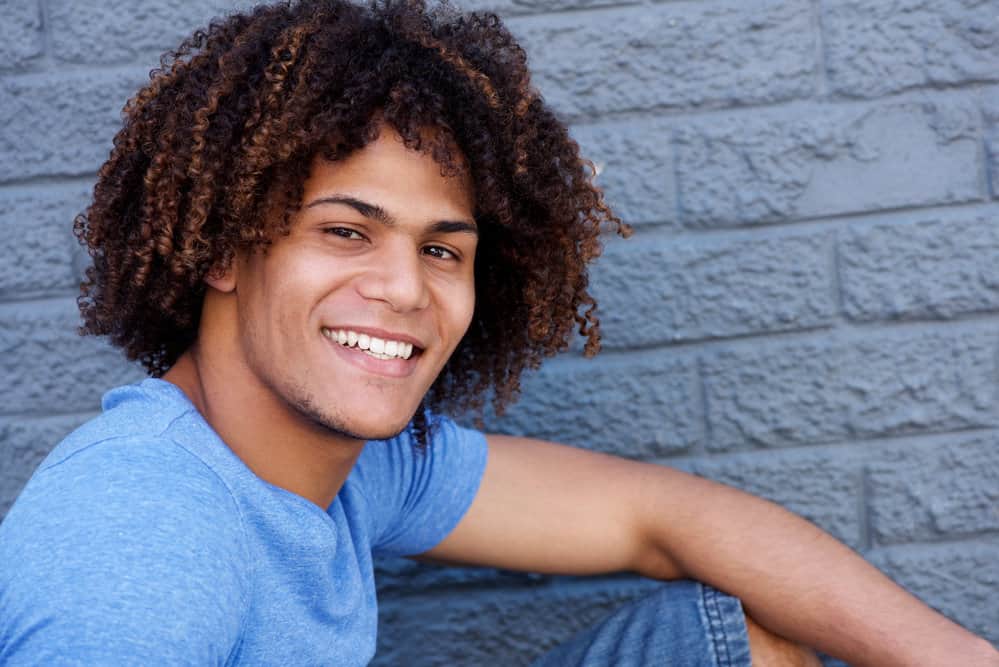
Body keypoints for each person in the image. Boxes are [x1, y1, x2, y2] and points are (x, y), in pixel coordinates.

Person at [0, 0, 995, 665]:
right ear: (223, 249)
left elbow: (662, 516)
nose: (402, 289)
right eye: (346, 232)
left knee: (732, 639)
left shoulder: (342, 458)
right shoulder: (140, 540)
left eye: (443, 249)